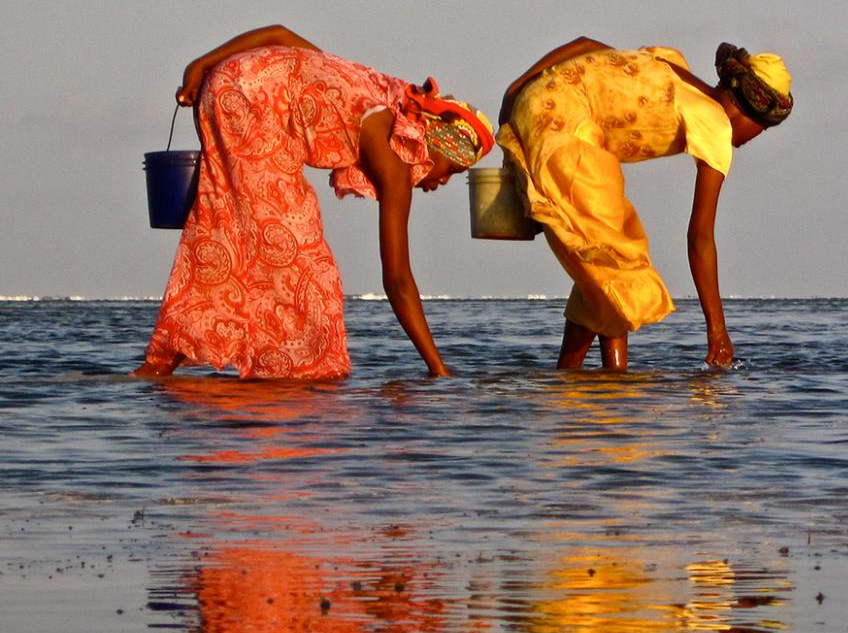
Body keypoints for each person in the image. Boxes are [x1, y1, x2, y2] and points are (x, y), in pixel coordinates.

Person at [134, 25, 494, 379]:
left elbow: (281, 34)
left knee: (232, 232)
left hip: (229, 85)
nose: (442, 182)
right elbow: (397, 278)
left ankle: (172, 362)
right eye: (450, 169)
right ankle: (292, 382)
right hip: (246, 101)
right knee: (302, 263)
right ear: (433, 143)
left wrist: (202, 64)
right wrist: (437, 367)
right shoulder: (396, 160)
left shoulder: (357, 88)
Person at [496, 37, 792, 371]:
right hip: (563, 132)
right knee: (623, 270)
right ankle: (609, 379)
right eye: (762, 129)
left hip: (541, 108)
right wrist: (718, 331)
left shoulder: (673, 65)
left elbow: (587, 42)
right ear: (746, 109)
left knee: (607, 263)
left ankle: (579, 378)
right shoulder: (716, 125)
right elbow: (700, 237)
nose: (756, 138)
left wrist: (517, 88)